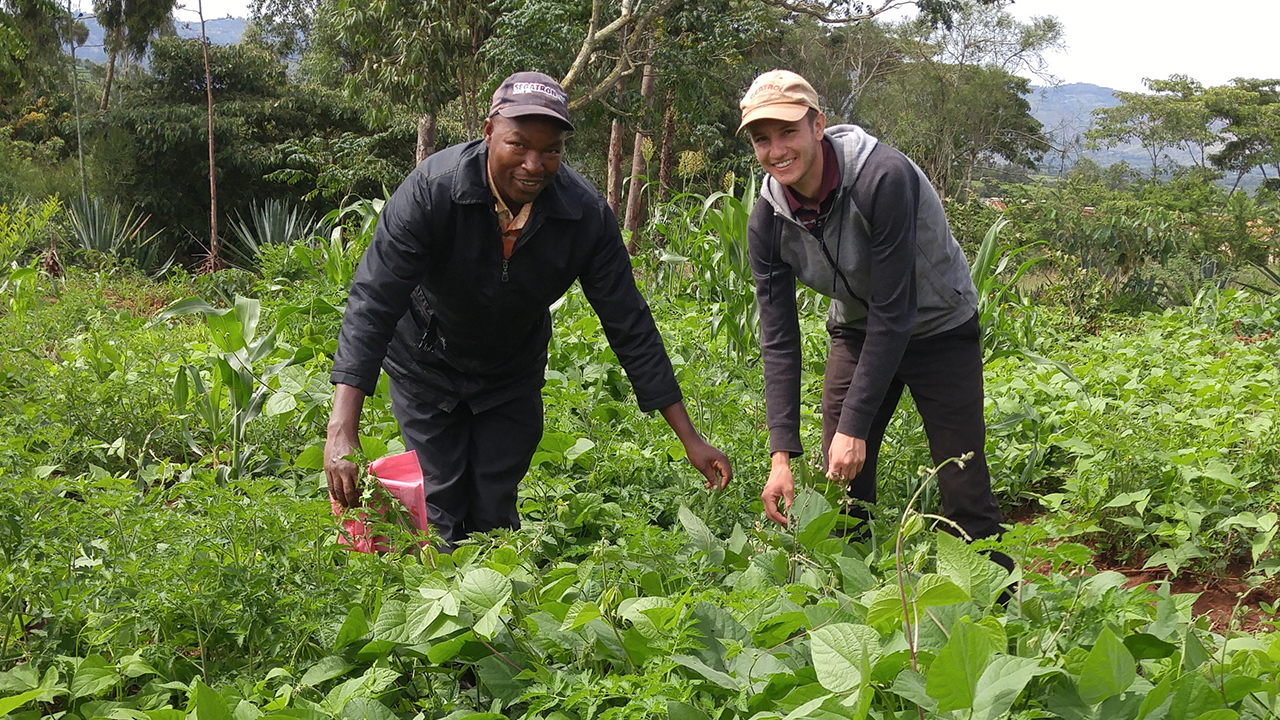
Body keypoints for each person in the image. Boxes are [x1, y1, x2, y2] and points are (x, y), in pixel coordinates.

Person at [324, 71, 732, 547]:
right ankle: (439, 604)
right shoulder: (432, 190)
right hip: (426, 364)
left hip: (510, 373)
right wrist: (341, 428)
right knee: (440, 509)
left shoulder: (583, 215)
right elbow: (374, 300)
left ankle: (496, 610)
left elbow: (629, 323)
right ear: (489, 131)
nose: (534, 164)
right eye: (518, 144)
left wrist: (689, 437)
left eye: (551, 150)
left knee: (495, 514)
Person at [741, 69, 1007, 561]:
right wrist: (781, 456)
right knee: (842, 486)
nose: (776, 150)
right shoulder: (768, 220)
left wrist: (853, 426)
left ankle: (994, 611)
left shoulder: (883, 178)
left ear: (818, 126)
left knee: (961, 481)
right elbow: (778, 338)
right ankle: (854, 604)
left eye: (787, 132)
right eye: (761, 139)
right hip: (859, 329)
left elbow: (895, 309)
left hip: (939, 327)